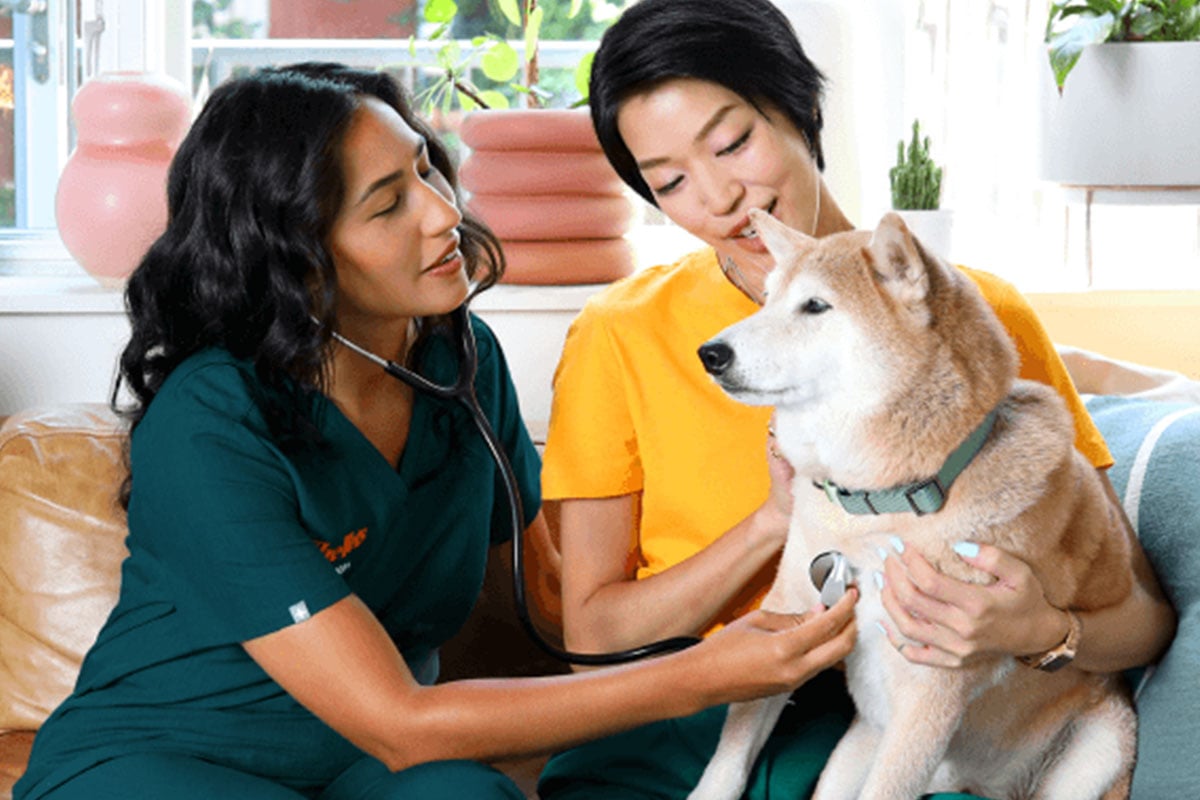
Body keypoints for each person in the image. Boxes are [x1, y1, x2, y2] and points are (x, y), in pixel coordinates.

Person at [13, 63, 860, 800]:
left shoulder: (461, 357)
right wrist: (703, 675)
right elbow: (401, 721)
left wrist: (771, 538)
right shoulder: (210, 422)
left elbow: (557, 612)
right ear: (299, 259)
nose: (440, 211)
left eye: (426, 168)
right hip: (167, 756)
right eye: (387, 206)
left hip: (369, 770)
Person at [536, 1, 1177, 798]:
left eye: (733, 141)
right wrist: (774, 522)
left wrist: (1043, 631)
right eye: (668, 182)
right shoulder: (619, 334)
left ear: (802, 107)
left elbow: (1144, 618)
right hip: (683, 718)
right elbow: (591, 635)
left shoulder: (974, 319)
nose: (719, 197)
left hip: (918, 726)